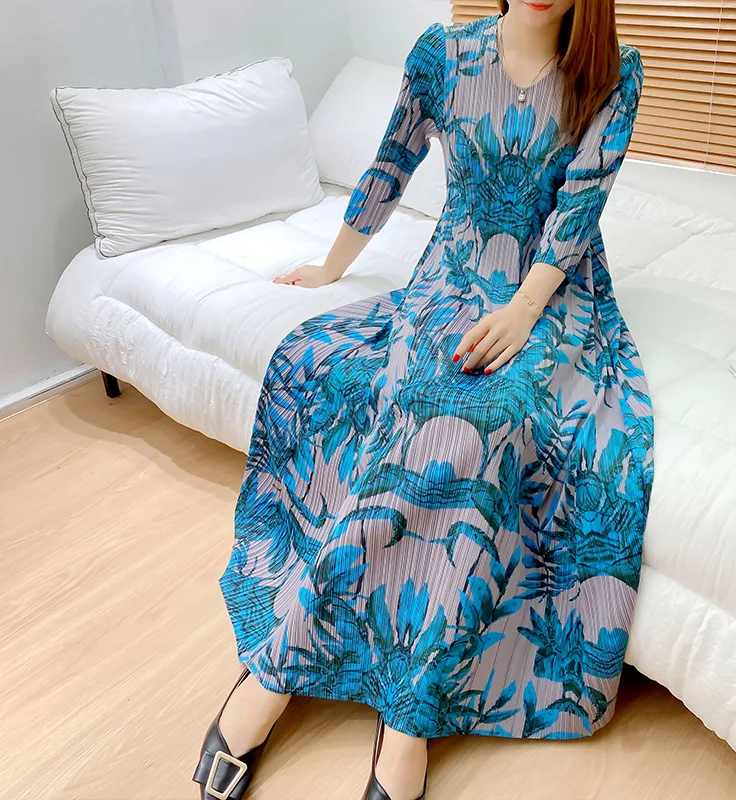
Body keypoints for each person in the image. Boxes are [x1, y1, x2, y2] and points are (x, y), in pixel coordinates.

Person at [192, 0, 655, 798]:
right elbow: (391, 164)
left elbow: (580, 209)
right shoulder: (443, 54)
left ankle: (401, 715)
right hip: (452, 275)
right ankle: (278, 673)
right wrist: (332, 267)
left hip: (554, 292)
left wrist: (522, 312)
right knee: (406, 399)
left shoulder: (614, 73)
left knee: (489, 420)